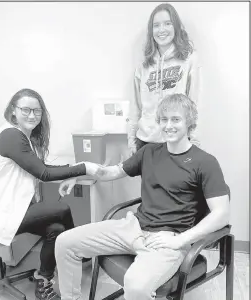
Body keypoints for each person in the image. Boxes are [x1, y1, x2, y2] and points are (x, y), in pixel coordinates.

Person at [56, 94, 229, 300]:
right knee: (65, 242)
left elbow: (221, 214)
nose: (168, 126)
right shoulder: (149, 152)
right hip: (133, 227)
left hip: (168, 239)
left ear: (189, 123)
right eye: (164, 120)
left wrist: (181, 240)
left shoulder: (205, 162)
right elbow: (110, 172)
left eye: (176, 119)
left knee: (136, 286)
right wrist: (77, 173)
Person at [0, 88, 96, 300]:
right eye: (26, 109)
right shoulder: (10, 136)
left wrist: (72, 172)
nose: (32, 115)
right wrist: (84, 167)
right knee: (61, 208)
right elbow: (43, 173)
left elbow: (40, 166)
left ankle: (43, 279)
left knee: (57, 229)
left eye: (37, 111)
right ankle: (77, 252)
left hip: (9, 210)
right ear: (13, 111)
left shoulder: (22, 136)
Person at [128, 3, 202, 155]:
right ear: (151, 31)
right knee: (148, 181)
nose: (161, 30)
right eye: (156, 25)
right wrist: (131, 141)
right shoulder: (143, 66)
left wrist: (193, 140)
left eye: (167, 24)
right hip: (145, 143)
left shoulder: (188, 60)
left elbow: (195, 103)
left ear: (175, 27)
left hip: (178, 141)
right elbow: (136, 107)